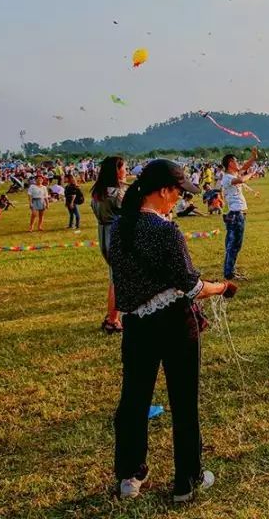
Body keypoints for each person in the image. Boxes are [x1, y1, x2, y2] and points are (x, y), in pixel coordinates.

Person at [109, 159, 236, 502]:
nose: (178, 200)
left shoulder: (118, 228)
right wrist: (222, 287)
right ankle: (187, 479)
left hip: (136, 323)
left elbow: (118, 275)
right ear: (164, 191)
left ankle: (129, 475)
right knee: (183, 401)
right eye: (178, 193)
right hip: (176, 323)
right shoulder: (166, 231)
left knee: (134, 399)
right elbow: (191, 286)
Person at [91, 157, 127, 334]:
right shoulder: (118, 193)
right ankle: (113, 320)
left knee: (114, 277)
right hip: (117, 234)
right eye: (123, 168)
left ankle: (112, 316)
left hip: (104, 233)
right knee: (117, 281)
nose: (126, 171)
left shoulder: (98, 192)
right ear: (117, 171)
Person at [219, 148, 259, 281]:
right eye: (236, 161)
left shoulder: (233, 174)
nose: (239, 164)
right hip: (236, 215)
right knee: (234, 245)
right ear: (230, 163)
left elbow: (244, 167)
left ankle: (229, 270)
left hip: (236, 214)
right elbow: (241, 180)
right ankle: (229, 273)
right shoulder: (227, 177)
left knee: (232, 244)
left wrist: (253, 157)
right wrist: (251, 174)